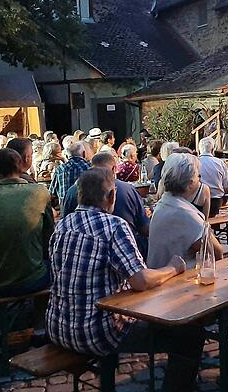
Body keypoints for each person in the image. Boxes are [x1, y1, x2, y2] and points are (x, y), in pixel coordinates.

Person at [46, 168, 205, 392]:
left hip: (57, 327)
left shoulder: (61, 226)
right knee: (189, 335)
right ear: (111, 196)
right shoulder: (113, 226)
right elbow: (141, 280)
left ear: (79, 195)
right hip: (95, 332)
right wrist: (172, 267)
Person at [0, 149, 54, 297]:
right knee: (49, 267)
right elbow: (48, 235)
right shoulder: (40, 192)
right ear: (21, 167)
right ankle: (39, 318)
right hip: (33, 279)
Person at [62, 152, 150, 257]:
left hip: (80, 253)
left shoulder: (72, 192)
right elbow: (144, 228)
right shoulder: (125, 191)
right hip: (127, 251)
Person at [148, 153, 223, 269]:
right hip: (180, 282)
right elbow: (217, 253)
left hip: (160, 273)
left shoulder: (165, 203)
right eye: (198, 176)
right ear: (190, 183)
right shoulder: (185, 214)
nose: (200, 180)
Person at [197, 137, 228, 217]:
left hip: (198, 201)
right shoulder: (219, 163)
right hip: (216, 202)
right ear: (212, 150)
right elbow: (227, 188)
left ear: (199, 150)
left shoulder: (195, 162)